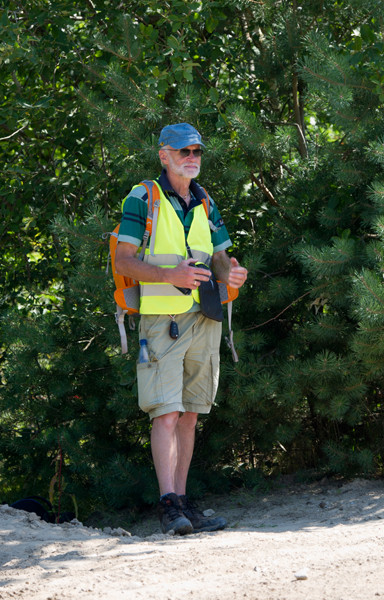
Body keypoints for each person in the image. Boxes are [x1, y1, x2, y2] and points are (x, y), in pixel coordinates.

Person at [115, 123, 248, 535]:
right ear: (164, 155)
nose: (192, 157)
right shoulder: (143, 198)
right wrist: (167, 273)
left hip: (205, 316)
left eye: (197, 151)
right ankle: (168, 504)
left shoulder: (206, 202)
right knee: (167, 413)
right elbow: (123, 260)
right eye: (183, 151)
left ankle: (185, 504)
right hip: (161, 321)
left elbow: (222, 258)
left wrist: (234, 274)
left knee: (190, 414)